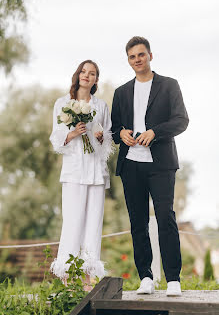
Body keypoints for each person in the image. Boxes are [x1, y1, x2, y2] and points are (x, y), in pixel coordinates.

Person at [111, 37, 189, 296]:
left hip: (161, 164)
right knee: (138, 222)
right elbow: (114, 129)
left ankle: (173, 279)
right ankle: (145, 277)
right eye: (132, 57)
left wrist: (155, 132)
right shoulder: (121, 92)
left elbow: (181, 120)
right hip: (131, 164)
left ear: (150, 56)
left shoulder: (169, 85)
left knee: (165, 217)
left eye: (141, 55)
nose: (137, 60)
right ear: (129, 60)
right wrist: (121, 133)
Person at [49, 60, 113, 290]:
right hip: (74, 171)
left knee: (93, 222)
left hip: (96, 172)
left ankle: (89, 278)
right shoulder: (62, 104)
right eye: (84, 72)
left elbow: (108, 141)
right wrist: (73, 133)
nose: (87, 76)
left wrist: (100, 138)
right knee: (73, 220)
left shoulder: (101, 106)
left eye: (92, 73)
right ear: (77, 75)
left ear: (96, 79)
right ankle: (67, 277)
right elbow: (56, 140)